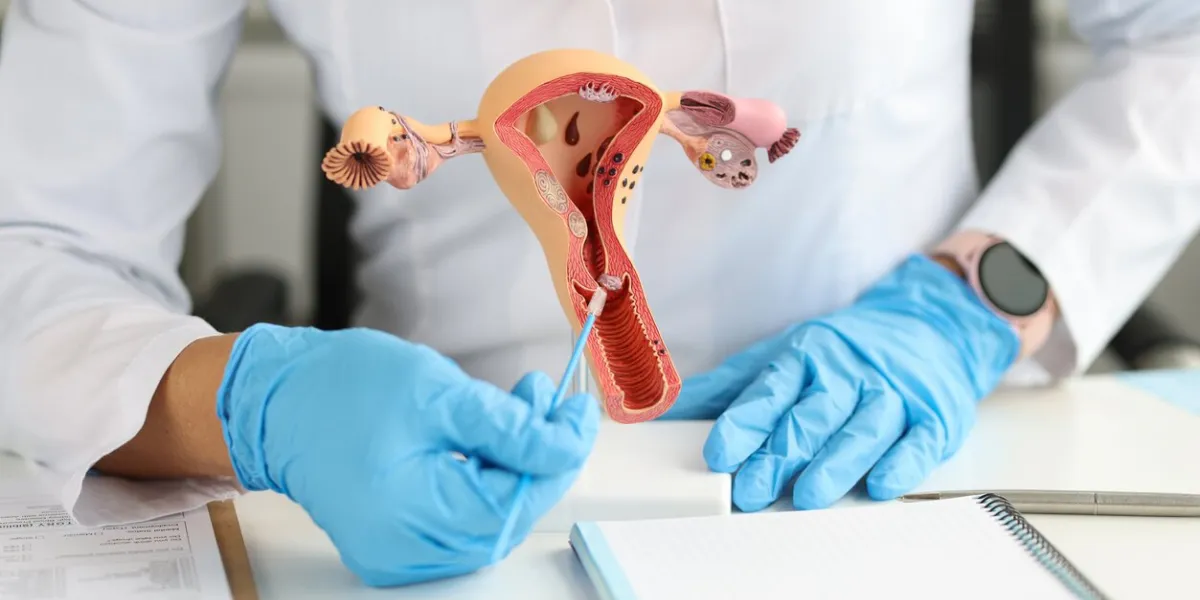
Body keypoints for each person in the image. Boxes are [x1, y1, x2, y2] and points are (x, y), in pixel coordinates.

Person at [1, 0, 1197, 588]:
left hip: (908, 475)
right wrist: (250, 402)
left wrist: (974, 300)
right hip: (457, 507)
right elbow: (37, 235)